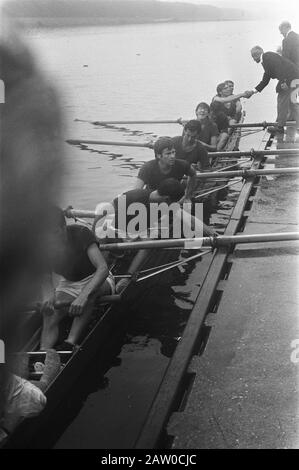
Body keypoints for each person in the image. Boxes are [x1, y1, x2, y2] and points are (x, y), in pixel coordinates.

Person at [40, 207, 115, 352]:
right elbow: (46, 278)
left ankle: (70, 343)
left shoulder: (81, 233)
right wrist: (48, 298)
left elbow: (102, 269)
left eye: (55, 233)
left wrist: (82, 296)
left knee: (90, 295)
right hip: (69, 282)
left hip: (96, 278)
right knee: (50, 311)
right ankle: (42, 353)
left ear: (64, 226)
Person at [250, 45, 299, 136]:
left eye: (253, 57)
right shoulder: (267, 59)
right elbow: (265, 79)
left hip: (290, 79)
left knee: (281, 100)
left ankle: (279, 127)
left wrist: (285, 82)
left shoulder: (267, 57)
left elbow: (281, 68)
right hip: (295, 77)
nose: (253, 59)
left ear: (256, 55)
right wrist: (253, 91)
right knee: (293, 103)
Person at [134, 137, 197, 203]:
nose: (172, 156)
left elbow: (193, 175)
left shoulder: (182, 165)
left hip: (172, 200)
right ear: (159, 155)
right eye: (168, 153)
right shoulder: (147, 167)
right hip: (153, 200)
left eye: (173, 152)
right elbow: (136, 192)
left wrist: (187, 196)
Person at [210, 83, 252, 149]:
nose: (229, 89)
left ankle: (219, 149)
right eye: (225, 88)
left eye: (229, 88)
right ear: (220, 92)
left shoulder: (232, 97)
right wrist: (243, 94)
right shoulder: (216, 98)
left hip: (225, 123)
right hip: (215, 122)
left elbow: (238, 107)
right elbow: (224, 100)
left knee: (231, 124)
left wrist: (233, 116)